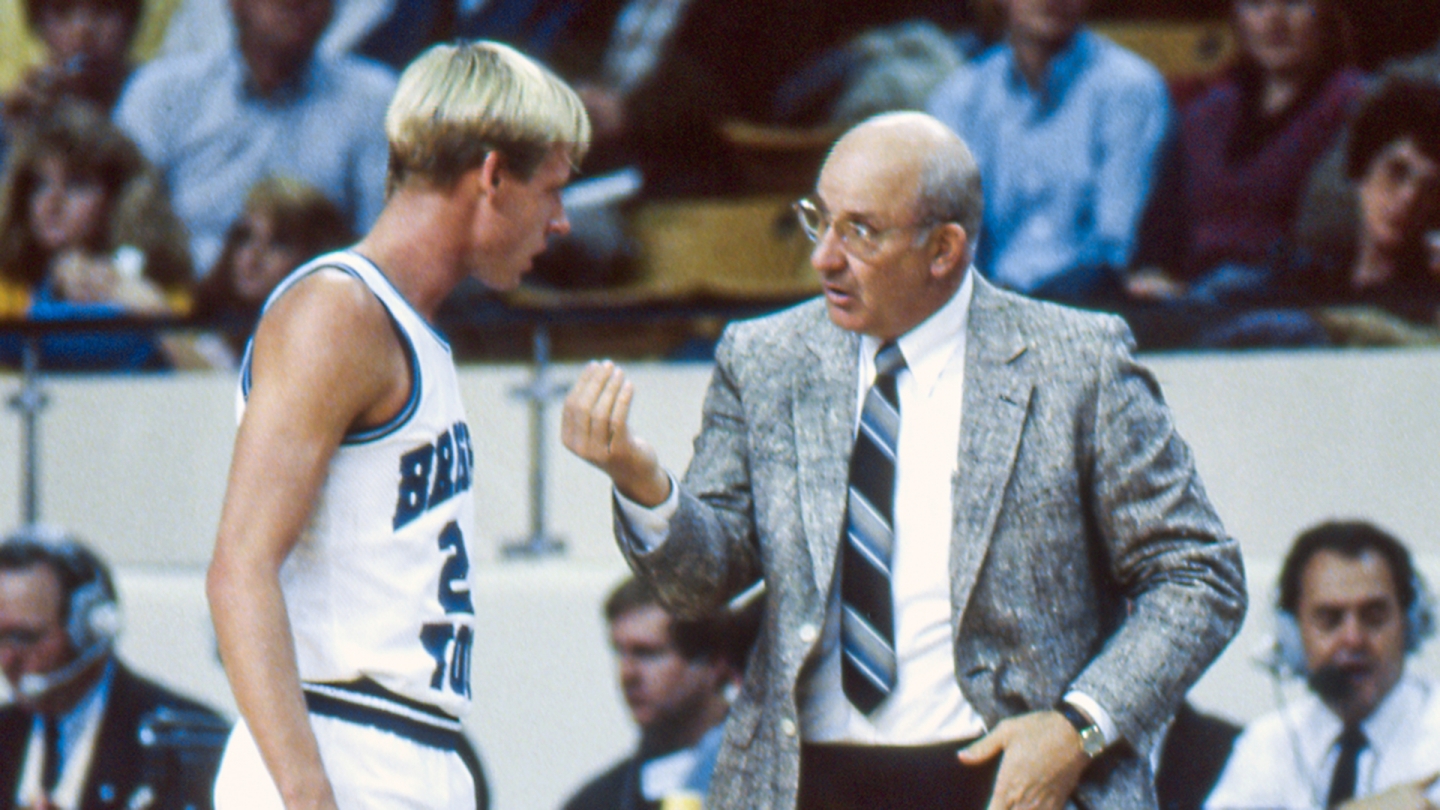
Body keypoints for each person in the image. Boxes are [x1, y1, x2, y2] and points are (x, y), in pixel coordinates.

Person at [562, 111, 1246, 810]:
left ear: (943, 249)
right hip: (811, 780)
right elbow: (700, 586)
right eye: (818, 221)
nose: (823, 257)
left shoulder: (1077, 362)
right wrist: (643, 482)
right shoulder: (764, 359)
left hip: (1010, 777)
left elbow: (1200, 573)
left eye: (859, 231)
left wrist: (1079, 727)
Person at [206, 40, 588, 810]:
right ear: (491, 176)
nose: (561, 223)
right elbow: (239, 568)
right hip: (335, 738)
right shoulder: (336, 311)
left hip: (410, 744)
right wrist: (305, 791)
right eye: (551, 190)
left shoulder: (411, 333)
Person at [114, 0, 394, 273]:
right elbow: (121, 229)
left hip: (312, 306)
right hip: (171, 302)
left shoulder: (373, 100)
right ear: (234, 3)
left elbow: (381, 251)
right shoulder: (161, 90)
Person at [926, 0, 1171, 305]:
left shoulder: (1130, 88)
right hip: (985, 307)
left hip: (1089, 305)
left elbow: (1113, 243)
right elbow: (951, 238)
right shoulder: (959, 97)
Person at [1127, 0, 1366, 306]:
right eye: (1256, 5)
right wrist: (1155, 273)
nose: (1273, 20)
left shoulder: (1354, 103)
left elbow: (1332, 237)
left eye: (1293, 4)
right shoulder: (1208, 110)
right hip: (1189, 295)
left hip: (1289, 298)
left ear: (1326, 12)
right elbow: (1161, 224)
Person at [1205, 521, 1440, 809]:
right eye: (1329, 620)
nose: (1353, 639)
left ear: (1411, 624)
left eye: (1374, 616)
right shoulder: (1267, 744)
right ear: (1291, 635)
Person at [0, 525, 228, 810]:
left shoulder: (186, 744)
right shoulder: (6, 734)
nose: (7, 659)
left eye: (24, 637)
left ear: (91, 629)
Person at [0, 101, 192, 370]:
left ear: (118, 198)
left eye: (77, 183)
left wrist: (133, 297)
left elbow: (210, 380)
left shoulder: (159, 282)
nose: (52, 202)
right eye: (40, 184)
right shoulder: (9, 285)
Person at [561, 576, 760, 810]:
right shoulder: (596, 802)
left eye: (647, 653)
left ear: (716, 661)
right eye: (619, 652)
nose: (627, 674)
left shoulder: (768, 777)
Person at [175, 175, 354, 368]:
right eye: (245, 238)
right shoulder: (202, 327)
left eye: (278, 243)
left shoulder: (332, 346)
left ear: (313, 256)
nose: (252, 259)